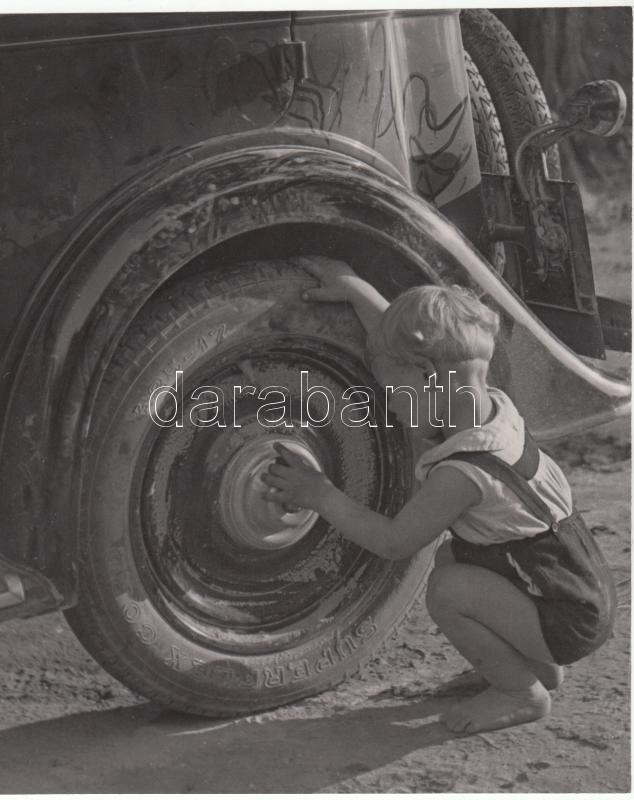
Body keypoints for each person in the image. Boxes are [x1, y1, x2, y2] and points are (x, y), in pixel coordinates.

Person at [262, 256, 616, 735]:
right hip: (566, 586)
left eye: (392, 390)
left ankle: (520, 692)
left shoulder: (463, 473)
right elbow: (414, 354)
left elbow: (394, 542)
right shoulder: (486, 406)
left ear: (427, 375)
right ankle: (532, 665)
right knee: (455, 556)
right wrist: (357, 290)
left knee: (448, 590)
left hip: (565, 616)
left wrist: (320, 494)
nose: (389, 403)